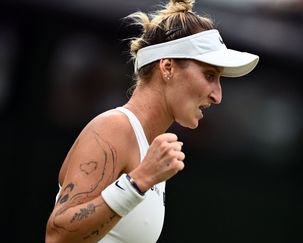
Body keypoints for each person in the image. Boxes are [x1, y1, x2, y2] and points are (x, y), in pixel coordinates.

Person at [45, 0, 259, 242]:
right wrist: (139, 181)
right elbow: (57, 236)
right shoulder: (114, 127)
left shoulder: (151, 149)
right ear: (167, 67)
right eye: (209, 75)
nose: (217, 96)